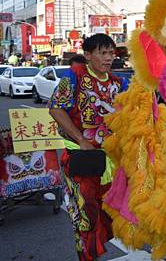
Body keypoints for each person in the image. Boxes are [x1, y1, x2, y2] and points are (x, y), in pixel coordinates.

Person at [49, 34, 129, 261]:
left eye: (111, 53)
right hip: (82, 159)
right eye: (102, 53)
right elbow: (55, 108)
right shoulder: (74, 77)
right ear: (89, 55)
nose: (108, 58)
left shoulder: (119, 82)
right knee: (86, 216)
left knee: (110, 215)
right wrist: (80, 139)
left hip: (111, 161)